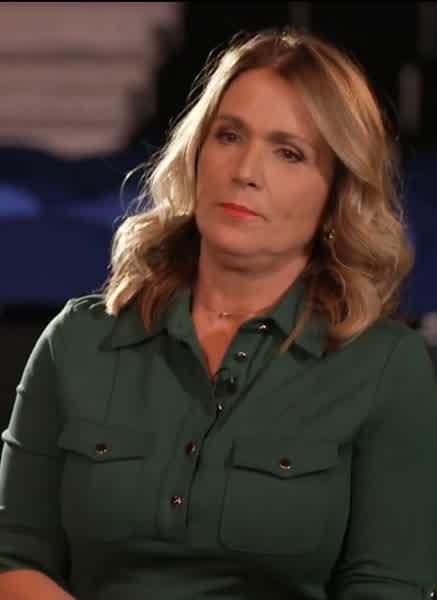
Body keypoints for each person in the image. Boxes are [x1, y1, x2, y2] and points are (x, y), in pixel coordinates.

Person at [0, 27, 436, 600]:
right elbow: (13, 557)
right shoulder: (77, 341)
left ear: (336, 194)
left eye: (289, 152)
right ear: (197, 153)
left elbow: (388, 586)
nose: (245, 170)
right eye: (229, 135)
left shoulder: (386, 367)